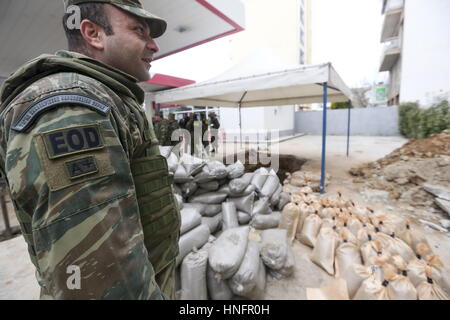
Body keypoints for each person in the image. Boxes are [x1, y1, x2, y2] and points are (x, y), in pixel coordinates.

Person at [0, 0, 180, 300]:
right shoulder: (73, 108)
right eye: (139, 30)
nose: (154, 46)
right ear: (93, 34)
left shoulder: (107, 99)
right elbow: (100, 280)